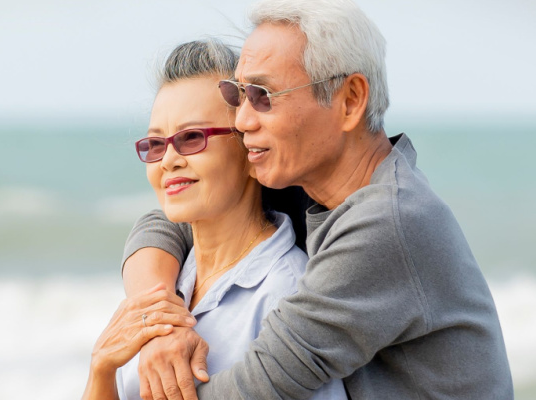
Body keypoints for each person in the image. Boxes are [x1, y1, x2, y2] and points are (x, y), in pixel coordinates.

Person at [121, 0, 515, 399]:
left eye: (263, 95)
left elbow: (259, 385)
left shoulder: (386, 223)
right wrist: (157, 324)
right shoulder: (310, 180)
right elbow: (164, 222)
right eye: (238, 95)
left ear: (349, 100)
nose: (241, 121)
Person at [84, 39, 344, 400]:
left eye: (192, 138)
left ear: (251, 151)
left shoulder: (286, 296)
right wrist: (101, 369)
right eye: (156, 144)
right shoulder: (166, 281)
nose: (168, 160)